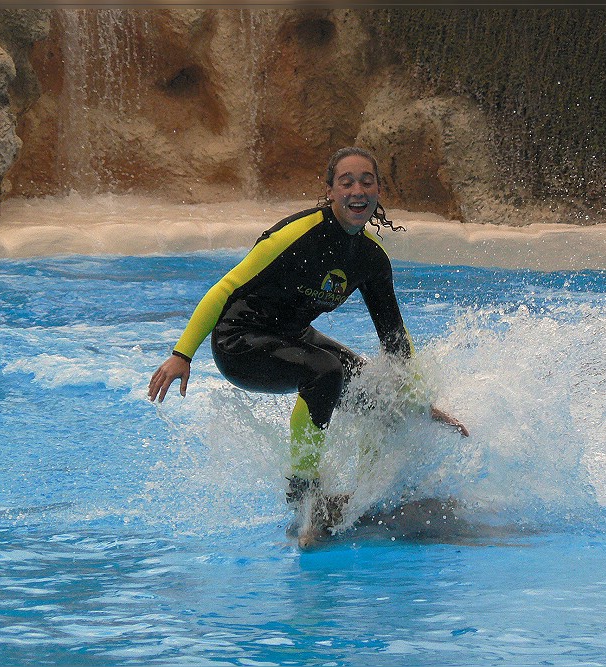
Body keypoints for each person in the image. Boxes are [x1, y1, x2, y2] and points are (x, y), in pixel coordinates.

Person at [148, 146, 468, 515]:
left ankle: (367, 494)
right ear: (330, 191)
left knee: (378, 394)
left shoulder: (370, 258)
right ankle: (304, 495)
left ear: (379, 191)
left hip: (292, 336)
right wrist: (181, 354)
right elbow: (226, 288)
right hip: (240, 340)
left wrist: (417, 403)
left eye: (367, 182)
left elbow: (394, 337)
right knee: (325, 372)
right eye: (346, 182)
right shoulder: (298, 234)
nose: (357, 191)